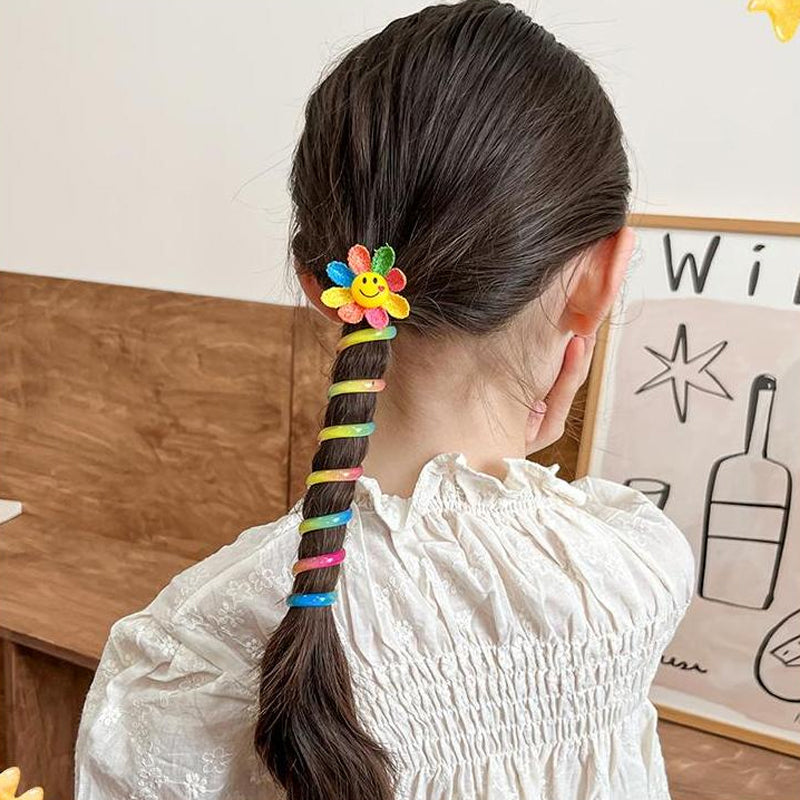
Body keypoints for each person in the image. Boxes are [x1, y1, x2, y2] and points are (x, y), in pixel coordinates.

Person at [74, 2, 694, 799]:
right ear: (603, 278)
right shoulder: (634, 572)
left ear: (326, 288)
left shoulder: (196, 649)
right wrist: (503, 479)